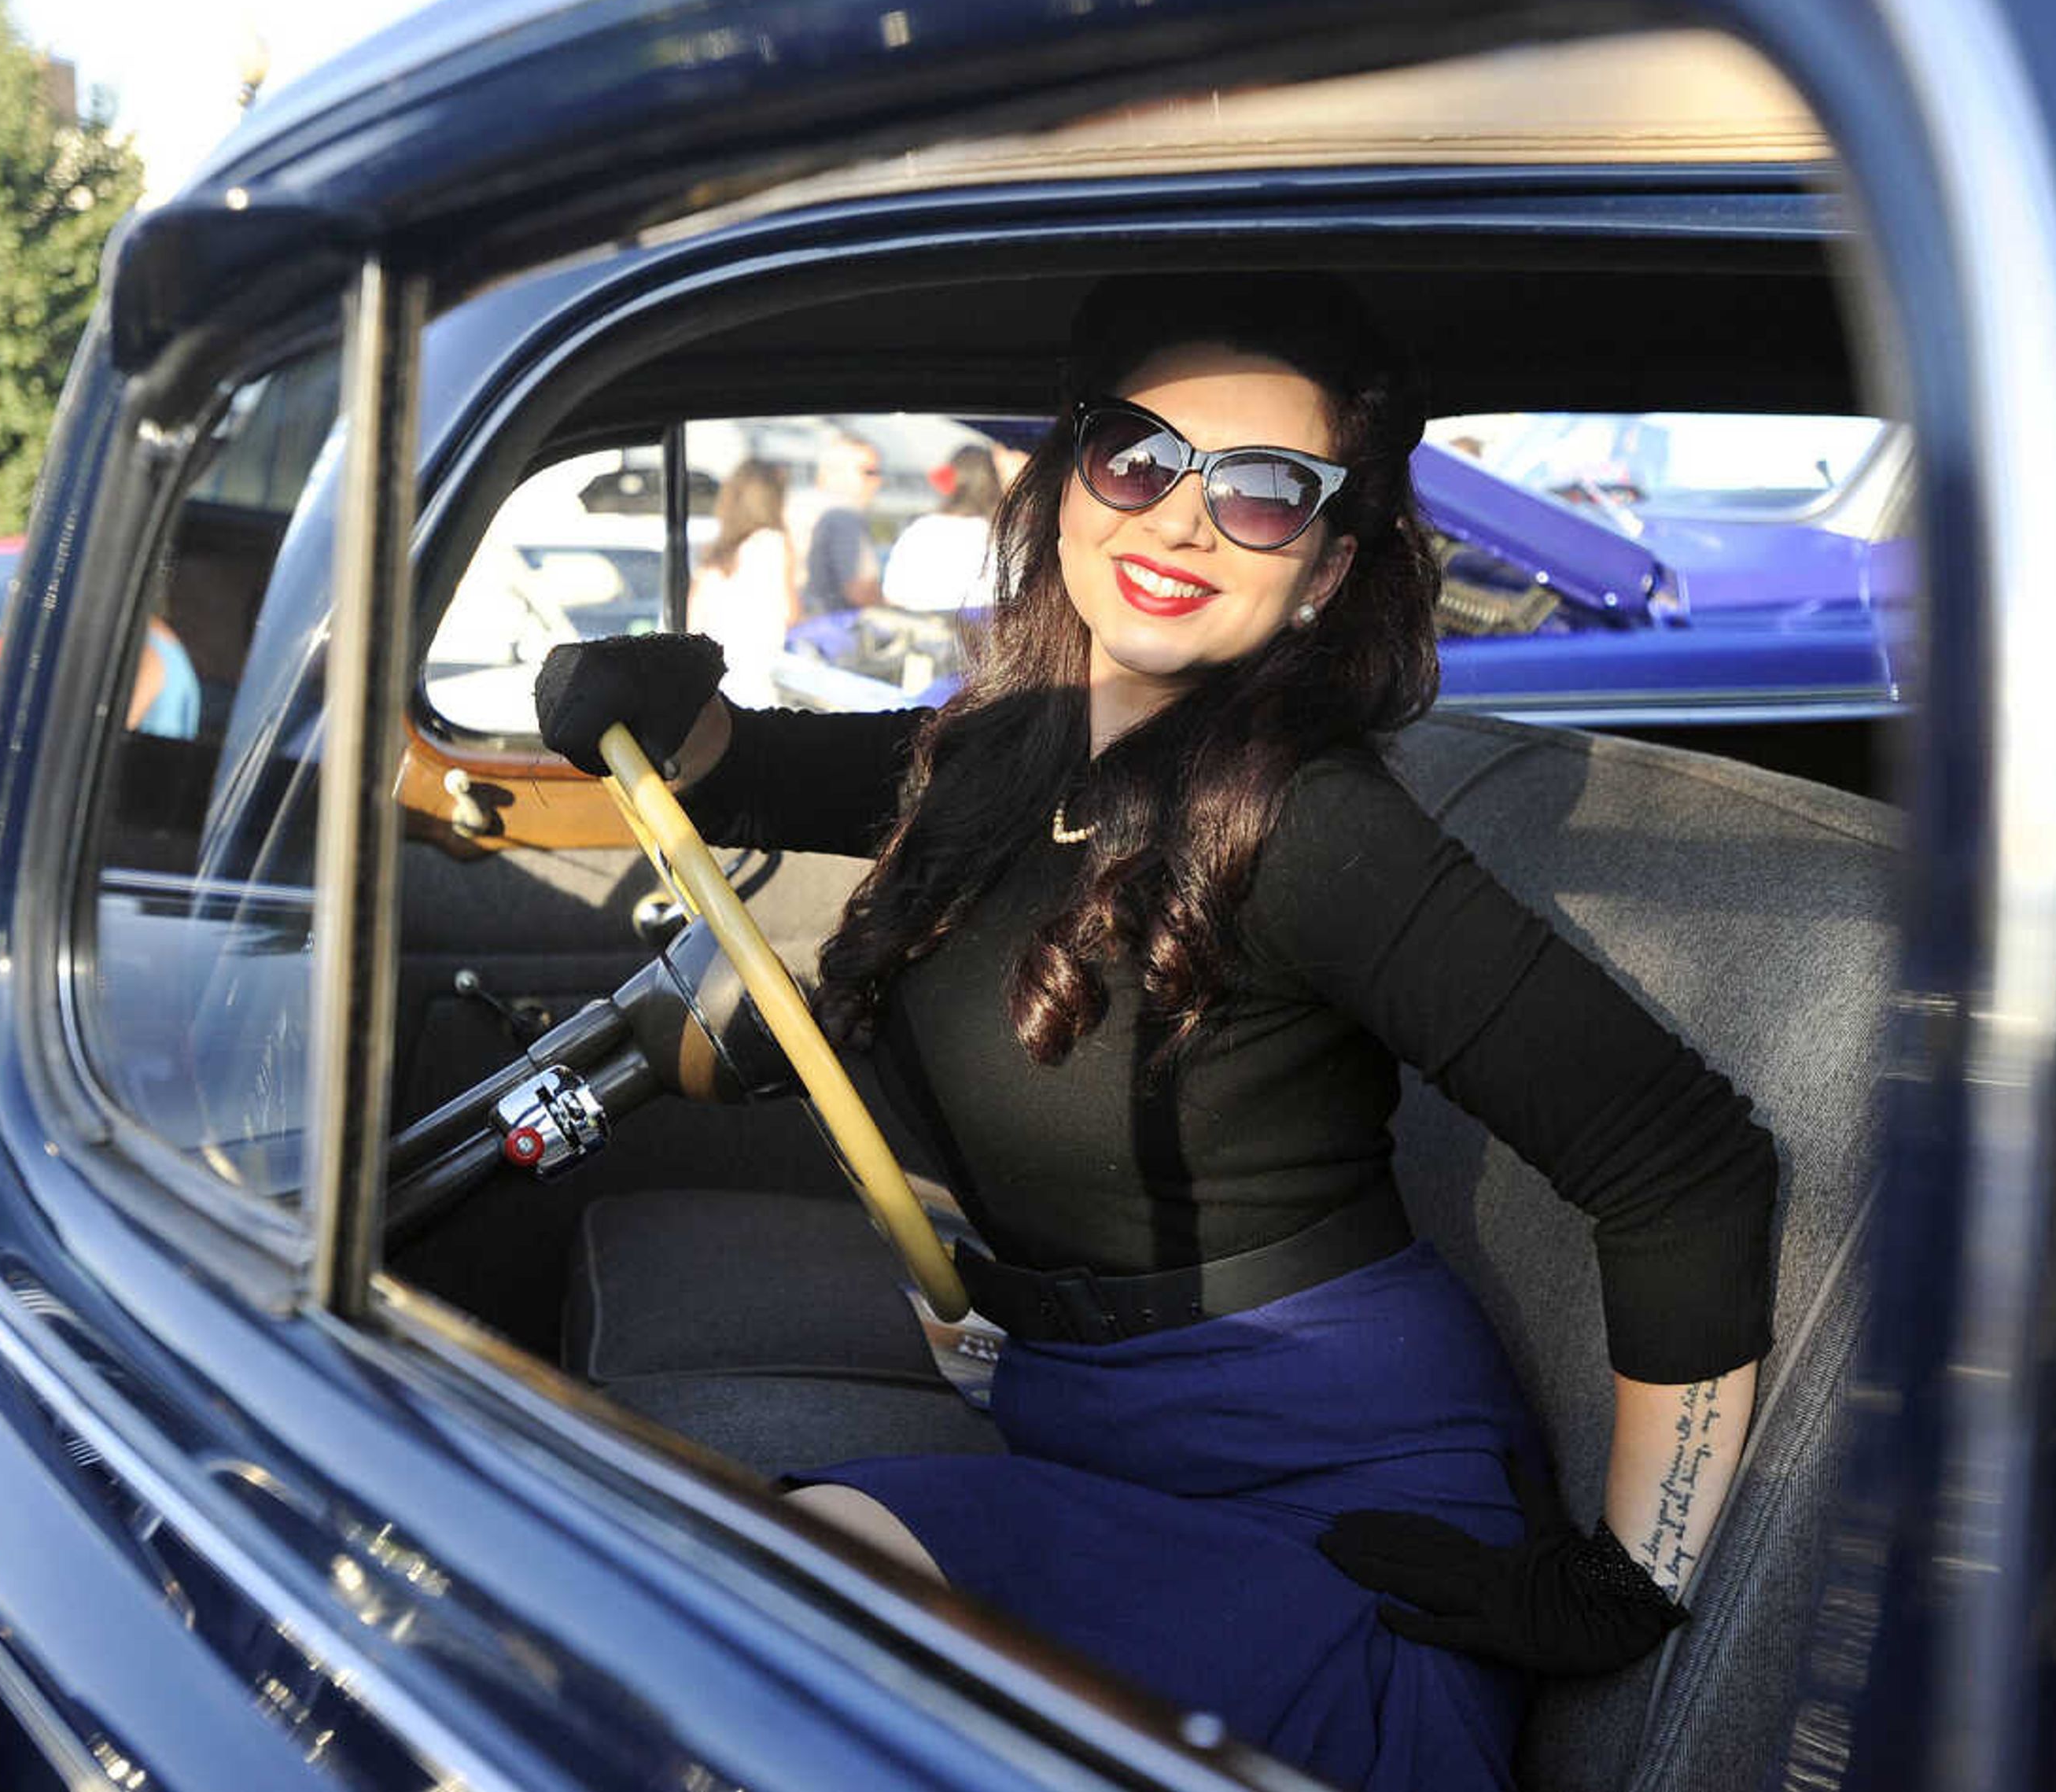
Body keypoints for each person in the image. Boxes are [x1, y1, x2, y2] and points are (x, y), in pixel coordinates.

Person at [533, 274, 1775, 1792]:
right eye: (1139, 456)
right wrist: (653, 699)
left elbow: (1684, 1159)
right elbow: (750, 775)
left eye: (1263, 493)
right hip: (1091, 1442)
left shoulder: (1305, 822)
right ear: (1067, 486)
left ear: (1322, 572)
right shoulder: (1001, 755)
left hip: (1338, 1532)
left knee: (756, 1618)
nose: (1184, 518)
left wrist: (1626, 1583)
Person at [685, 459, 800, 708]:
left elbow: (692, 624)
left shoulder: (713, 559)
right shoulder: (773, 544)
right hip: (758, 682)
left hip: (713, 687)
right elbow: (790, 614)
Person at [879, 441, 1007, 611]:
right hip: (983, 633)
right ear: (994, 480)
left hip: (925, 632)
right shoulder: (1002, 535)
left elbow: (892, 594)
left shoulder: (921, 530)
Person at [796, 434, 886, 614]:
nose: (878, 481)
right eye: (869, 472)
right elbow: (860, 591)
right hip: (826, 630)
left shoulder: (794, 505)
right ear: (835, 472)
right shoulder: (845, 515)